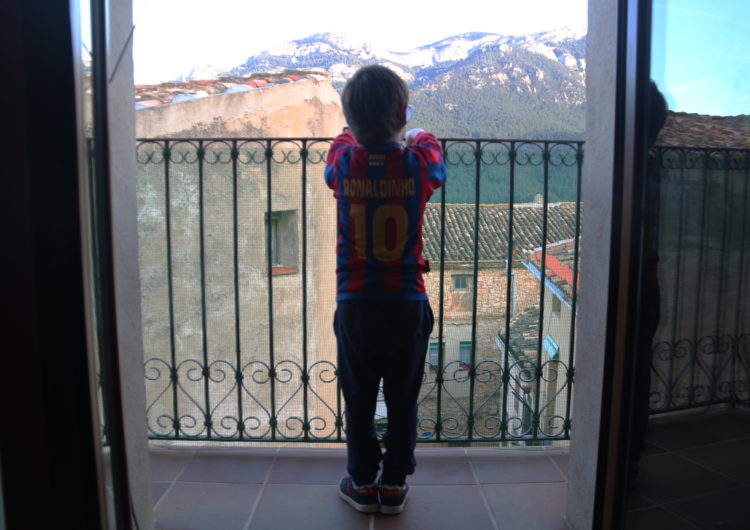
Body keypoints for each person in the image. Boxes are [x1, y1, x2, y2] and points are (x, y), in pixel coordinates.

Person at [324, 64, 446, 515]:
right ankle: (393, 484)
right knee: (402, 398)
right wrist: (416, 132)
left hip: (356, 302)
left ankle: (361, 481)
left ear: (352, 121)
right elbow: (435, 155)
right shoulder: (418, 164)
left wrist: (353, 130)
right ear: (401, 115)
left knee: (358, 397)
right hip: (406, 301)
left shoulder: (344, 164)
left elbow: (336, 153)